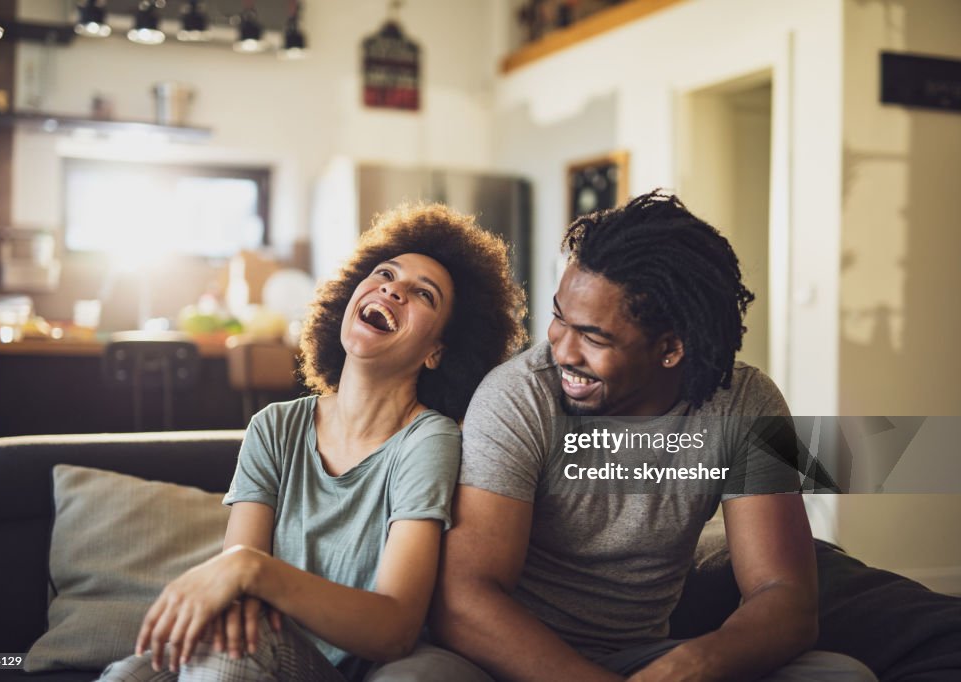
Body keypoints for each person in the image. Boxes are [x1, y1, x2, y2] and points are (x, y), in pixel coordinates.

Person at [413, 191, 877, 681]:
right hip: (499, 659)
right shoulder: (519, 397)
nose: (562, 349)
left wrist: (699, 661)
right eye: (558, 318)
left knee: (841, 675)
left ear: (671, 348)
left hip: (640, 660)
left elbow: (786, 596)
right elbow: (465, 601)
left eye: (593, 337)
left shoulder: (745, 403)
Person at [98, 203, 526, 682]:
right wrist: (242, 579)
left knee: (232, 652)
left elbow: (396, 627)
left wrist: (252, 572)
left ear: (437, 352)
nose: (393, 288)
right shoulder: (273, 428)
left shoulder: (428, 440)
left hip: (329, 668)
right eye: (385, 273)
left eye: (423, 294)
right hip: (259, 650)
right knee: (133, 673)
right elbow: (239, 593)